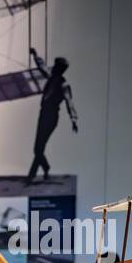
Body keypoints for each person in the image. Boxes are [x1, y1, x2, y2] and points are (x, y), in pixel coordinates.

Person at [27, 49, 78, 182]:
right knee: (37, 148)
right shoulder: (51, 76)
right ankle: (46, 167)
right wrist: (35, 55)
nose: (53, 68)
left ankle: (31, 176)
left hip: (51, 117)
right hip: (43, 114)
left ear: (60, 69)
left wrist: (73, 119)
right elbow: (42, 66)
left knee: (39, 147)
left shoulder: (64, 85)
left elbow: (69, 102)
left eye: (56, 67)